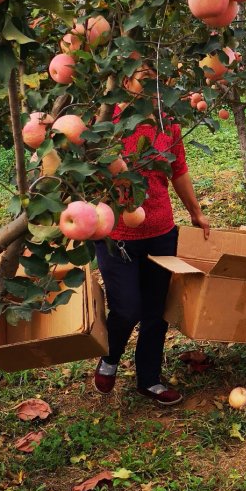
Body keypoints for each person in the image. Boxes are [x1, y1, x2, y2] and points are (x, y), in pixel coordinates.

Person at [93, 67, 210, 407]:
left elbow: (179, 171)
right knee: (127, 308)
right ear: (124, 80)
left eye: (160, 77)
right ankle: (110, 359)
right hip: (117, 234)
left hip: (161, 232)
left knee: (156, 311)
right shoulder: (106, 123)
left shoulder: (168, 122)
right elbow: (91, 165)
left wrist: (196, 212)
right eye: (144, 76)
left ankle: (149, 379)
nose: (155, 84)